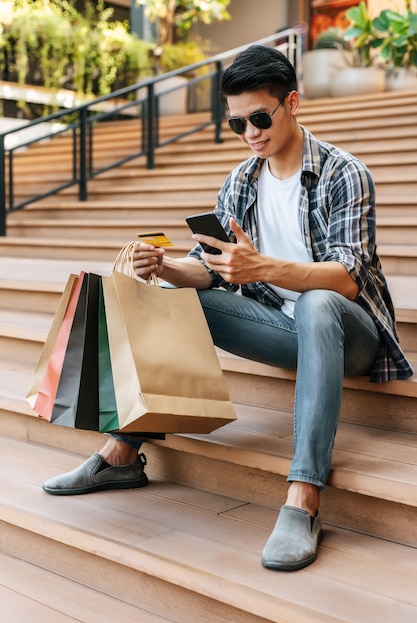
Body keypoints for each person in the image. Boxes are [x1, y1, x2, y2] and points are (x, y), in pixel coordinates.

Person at [42, 45, 413, 571]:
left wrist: (261, 268)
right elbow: (207, 267)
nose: (252, 133)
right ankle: (122, 453)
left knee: (316, 304)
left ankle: (304, 497)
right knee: (173, 296)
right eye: (238, 124)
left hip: (347, 332)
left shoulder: (342, 173)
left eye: (261, 118)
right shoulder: (241, 181)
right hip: (278, 329)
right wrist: (164, 267)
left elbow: (347, 279)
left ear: (293, 102)